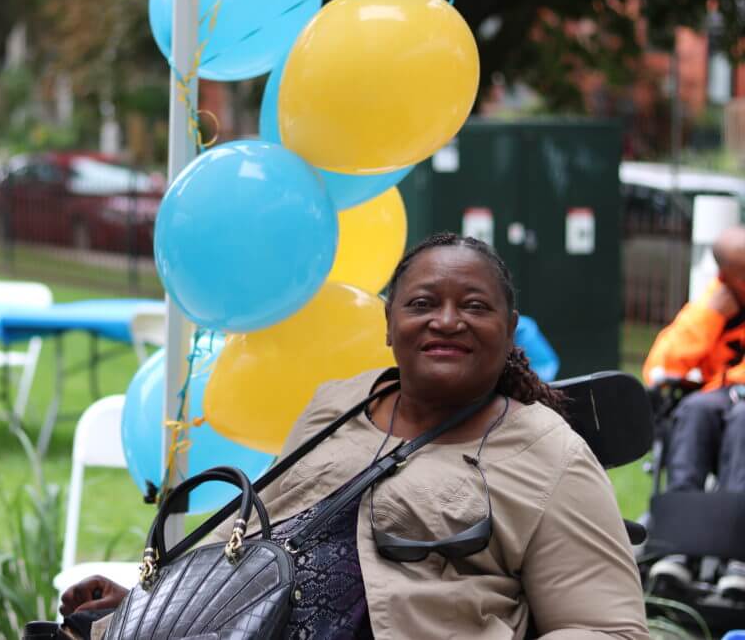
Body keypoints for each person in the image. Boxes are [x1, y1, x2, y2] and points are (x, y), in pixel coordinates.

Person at [62, 232, 648, 639]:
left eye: (474, 306)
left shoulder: (548, 453)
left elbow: (608, 627)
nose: (447, 320)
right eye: (422, 303)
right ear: (390, 325)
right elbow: (272, 540)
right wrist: (150, 608)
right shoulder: (338, 405)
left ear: (510, 330)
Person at [643, 225, 745, 598]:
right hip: (721, 397)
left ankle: (739, 558)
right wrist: (709, 315)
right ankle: (680, 547)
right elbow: (661, 369)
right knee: (695, 410)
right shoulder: (715, 303)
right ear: (729, 275)